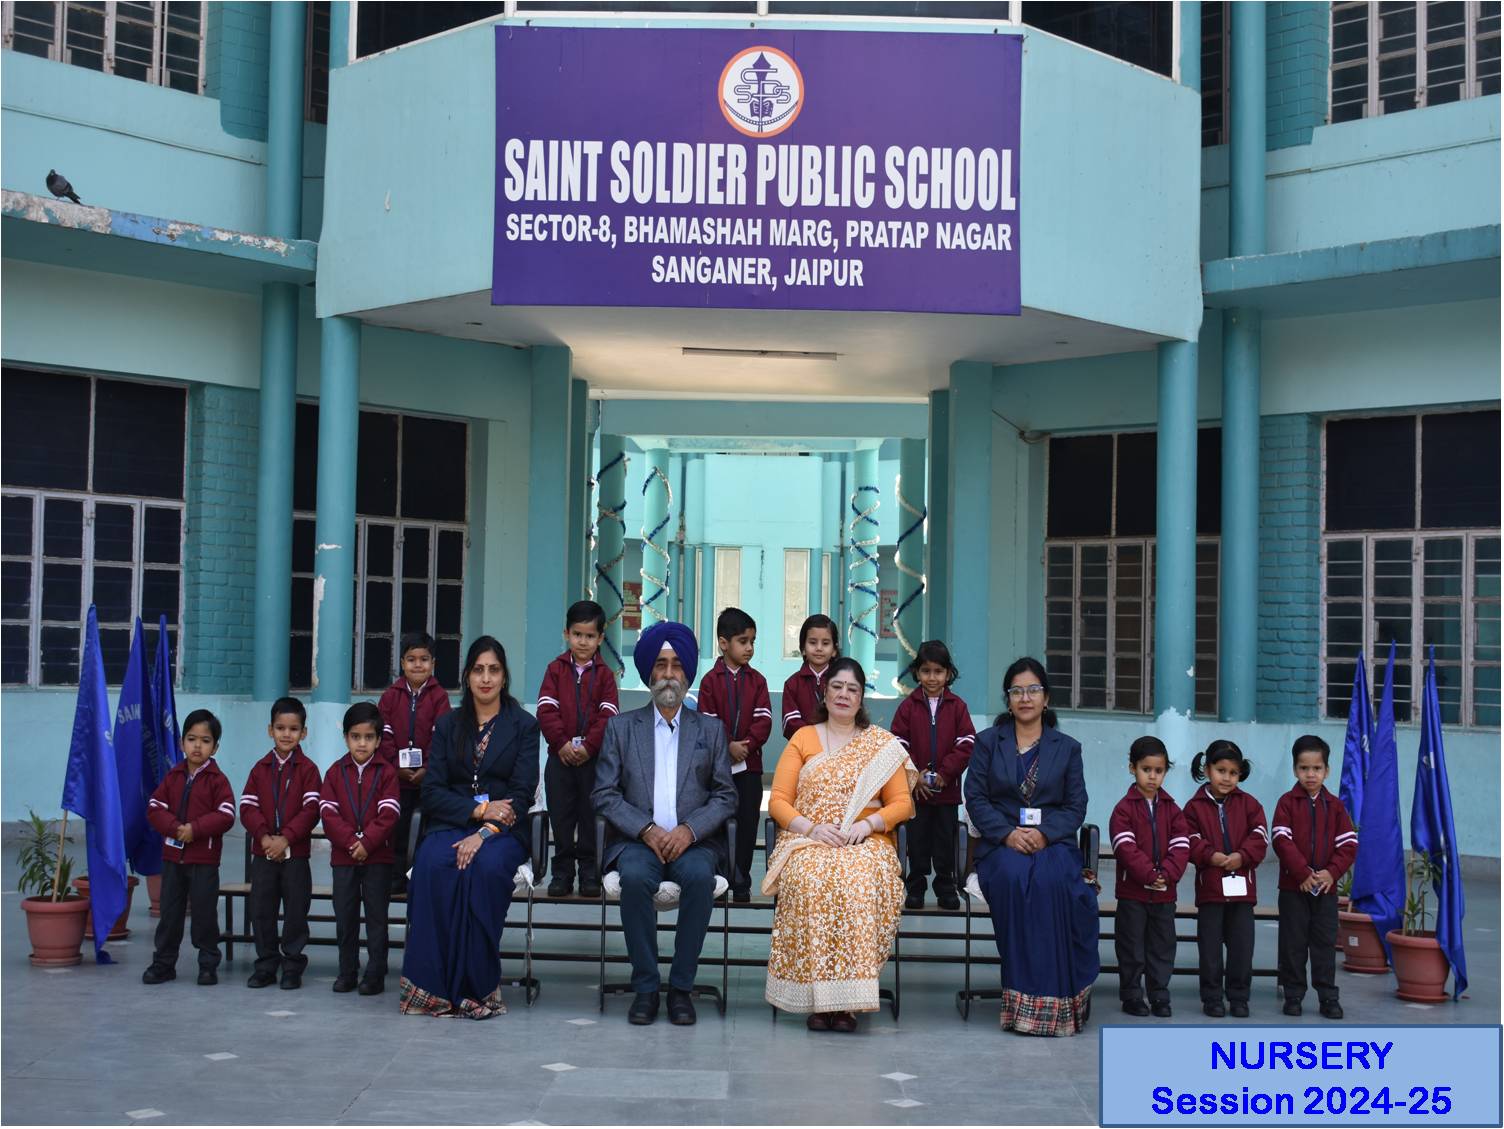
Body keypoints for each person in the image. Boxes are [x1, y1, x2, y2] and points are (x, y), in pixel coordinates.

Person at [593, 620, 736, 1027]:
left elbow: (726, 795)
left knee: (700, 878)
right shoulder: (622, 728)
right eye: (660, 664)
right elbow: (604, 793)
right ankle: (645, 988)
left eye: (676, 665)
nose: (669, 674)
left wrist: (689, 831)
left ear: (688, 673)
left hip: (694, 843)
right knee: (635, 878)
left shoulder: (711, 730)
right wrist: (646, 829)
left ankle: (680, 989)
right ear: (649, 673)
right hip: (638, 842)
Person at [764, 656, 916, 1032]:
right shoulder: (803, 738)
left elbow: (902, 804)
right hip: (810, 840)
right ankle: (818, 1000)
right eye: (837, 686)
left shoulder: (880, 745)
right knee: (811, 879)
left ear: (861, 698)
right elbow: (779, 801)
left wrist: (866, 825)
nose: (844, 695)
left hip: (867, 841)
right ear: (825, 692)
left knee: (857, 880)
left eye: (852, 689)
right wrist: (812, 828)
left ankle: (847, 1004)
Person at [399, 636, 539, 1019]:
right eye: (478, 670)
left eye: (494, 670)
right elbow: (432, 792)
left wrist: (483, 833)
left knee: (485, 868)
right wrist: (478, 812)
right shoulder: (448, 725)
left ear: (504, 676)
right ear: (467, 676)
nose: (486, 678)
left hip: (503, 831)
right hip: (452, 822)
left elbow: (521, 795)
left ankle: (475, 989)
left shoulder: (524, 726)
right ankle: (431, 990)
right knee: (432, 863)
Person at [964, 657, 1099, 1036]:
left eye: (1033, 690)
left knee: (1053, 883)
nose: (1025, 698)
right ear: (1008, 700)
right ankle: (1022, 1004)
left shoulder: (1067, 748)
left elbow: (1075, 806)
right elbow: (975, 798)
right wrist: (1008, 834)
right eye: (1017, 691)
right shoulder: (988, 743)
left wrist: (1044, 834)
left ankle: (1058, 1005)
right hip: (1001, 844)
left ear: (1046, 698)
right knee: (1013, 878)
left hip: (1052, 843)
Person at [142, 709, 235, 986]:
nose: (197, 746)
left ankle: (207, 964)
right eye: (192, 739)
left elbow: (227, 814)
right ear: (182, 743)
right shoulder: (173, 776)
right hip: (173, 859)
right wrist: (175, 828)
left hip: (204, 860)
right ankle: (163, 964)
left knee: (205, 915)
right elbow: (155, 807)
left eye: (205, 741)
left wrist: (195, 829)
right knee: (170, 914)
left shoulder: (218, 780)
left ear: (215, 747)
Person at [538, 599, 620, 898]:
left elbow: (608, 715)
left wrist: (588, 747)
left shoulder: (606, 675)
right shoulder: (555, 670)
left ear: (600, 638)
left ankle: (589, 872)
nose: (583, 642)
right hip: (558, 760)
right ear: (566, 634)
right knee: (561, 817)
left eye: (589, 636)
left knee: (589, 816)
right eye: (577, 634)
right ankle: (562, 873)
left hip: (592, 761)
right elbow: (546, 709)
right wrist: (561, 743)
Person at [239, 697, 322, 990]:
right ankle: (265, 965)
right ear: (270, 730)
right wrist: (264, 838)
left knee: (296, 912)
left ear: (304, 733)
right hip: (263, 854)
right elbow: (247, 807)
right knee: (262, 910)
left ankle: (292, 966)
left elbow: (311, 810)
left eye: (294, 729)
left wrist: (286, 838)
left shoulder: (309, 770)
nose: (287, 734)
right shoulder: (259, 768)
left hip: (295, 856)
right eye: (280, 728)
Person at [1271, 734, 1357, 1020]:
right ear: (1295, 769)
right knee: (1293, 944)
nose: (1311, 774)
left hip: (1325, 891)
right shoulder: (1286, 803)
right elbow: (1281, 839)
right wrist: (1302, 873)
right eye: (1304, 768)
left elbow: (1348, 844)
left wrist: (1331, 872)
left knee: (1324, 945)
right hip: (1293, 889)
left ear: (1326, 771)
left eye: (1317, 768)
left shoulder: (1335, 806)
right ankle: (1293, 995)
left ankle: (1328, 997)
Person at [321, 701, 402, 996]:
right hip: (343, 859)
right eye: (355, 736)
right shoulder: (334, 772)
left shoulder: (387, 773)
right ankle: (347, 971)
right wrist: (350, 843)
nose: (362, 743)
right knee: (345, 917)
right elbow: (328, 813)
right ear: (346, 738)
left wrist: (366, 843)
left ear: (379, 740)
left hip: (377, 859)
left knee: (376, 918)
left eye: (369, 737)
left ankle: (376, 973)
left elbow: (389, 814)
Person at [1184, 739, 1268, 1018]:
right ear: (1207, 770)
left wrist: (1242, 857)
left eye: (1233, 772)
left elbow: (1260, 837)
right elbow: (1189, 839)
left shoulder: (1250, 805)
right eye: (1221, 771)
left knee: (1242, 947)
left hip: (1243, 893)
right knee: (1209, 949)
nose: (1227, 778)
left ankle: (1239, 997)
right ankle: (1212, 997)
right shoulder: (1194, 807)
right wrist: (1212, 856)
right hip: (1210, 891)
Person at [889, 640, 975, 910]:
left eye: (938, 671)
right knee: (917, 842)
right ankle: (915, 887)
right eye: (926, 671)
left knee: (945, 842)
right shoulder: (908, 706)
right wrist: (915, 775)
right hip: (917, 794)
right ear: (917, 673)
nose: (932, 677)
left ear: (948, 673)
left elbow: (967, 743)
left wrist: (946, 773)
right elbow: (897, 744)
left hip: (946, 793)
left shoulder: (958, 706)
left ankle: (945, 887)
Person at [696, 607, 773, 902]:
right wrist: (728, 745)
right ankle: (718, 877)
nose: (750, 648)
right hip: (717, 768)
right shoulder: (710, 681)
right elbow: (707, 721)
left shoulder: (758, 681)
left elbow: (764, 719)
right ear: (723, 643)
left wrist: (746, 746)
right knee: (716, 822)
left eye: (753, 641)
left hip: (750, 767)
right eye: (743, 641)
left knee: (747, 822)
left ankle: (741, 878)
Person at [1109, 736, 1190, 1018]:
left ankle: (1159, 995)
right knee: (1131, 946)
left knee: (1162, 946)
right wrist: (1149, 874)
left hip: (1164, 894)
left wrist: (1166, 875)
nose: (1152, 776)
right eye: (1146, 769)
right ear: (1132, 768)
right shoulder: (1123, 809)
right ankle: (1132, 996)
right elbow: (1125, 847)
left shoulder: (1173, 809)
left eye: (1159, 770)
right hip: (1133, 894)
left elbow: (1182, 845)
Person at [375, 631, 452, 896]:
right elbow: (383, 735)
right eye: (411, 659)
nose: (417, 665)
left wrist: (426, 769)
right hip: (396, 780)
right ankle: (397, 876)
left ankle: (418, 876)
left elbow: (440, 738)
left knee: (424, 830)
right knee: (397, 829)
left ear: (433, 663)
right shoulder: (390, 696)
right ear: (402, 663)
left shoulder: (440, 697)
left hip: (427, 781)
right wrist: (396, 767)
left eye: (424, 659)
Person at [781, 614, 839, 739]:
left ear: (834, 650)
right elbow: (790, 721)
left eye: (825, 643)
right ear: (803, 649)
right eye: (813, 642)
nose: (819, 648)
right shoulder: (792, 684)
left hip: (836, 745)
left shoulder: (841, 681)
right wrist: (813, 738)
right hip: (803, 746)